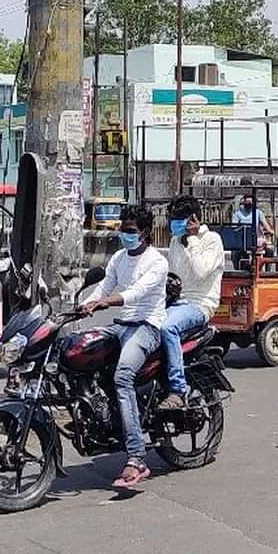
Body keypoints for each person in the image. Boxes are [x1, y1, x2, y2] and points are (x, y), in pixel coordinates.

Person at [81, 204, 169, 489]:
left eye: (130, 231)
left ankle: (136, 457)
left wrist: (106, 302)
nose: (125, 235)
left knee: (122, 377)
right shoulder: (119, 257)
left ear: (144, 233)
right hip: (121, 324)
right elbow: (104, 288)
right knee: (82, 354)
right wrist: (84, 304)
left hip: (146, 327)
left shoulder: (157, 262)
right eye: (123, 229)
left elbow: (136, 293)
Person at [159, 195, 224, 410]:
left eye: (179, 219)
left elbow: (201, 271)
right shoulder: (175, 241)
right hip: (176, 303)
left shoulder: (211, 240)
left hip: (199, 305)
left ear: (193, 219)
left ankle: (177, 389)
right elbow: (172, 275)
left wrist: (194, 239)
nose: (174, 223)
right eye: (173, 218)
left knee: (168, 328)